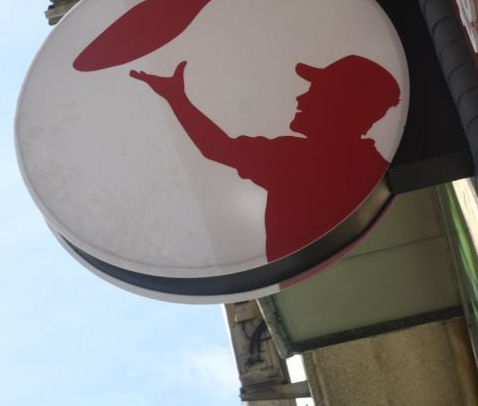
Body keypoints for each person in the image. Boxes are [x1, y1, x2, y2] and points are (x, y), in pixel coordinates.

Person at [130, 55, 401, 261]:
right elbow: (218, 148)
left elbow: (217, 148)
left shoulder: (300, 159)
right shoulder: (374, 168)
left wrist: (177, 98)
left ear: (340, 103)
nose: (301, 96)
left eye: (316, 89)